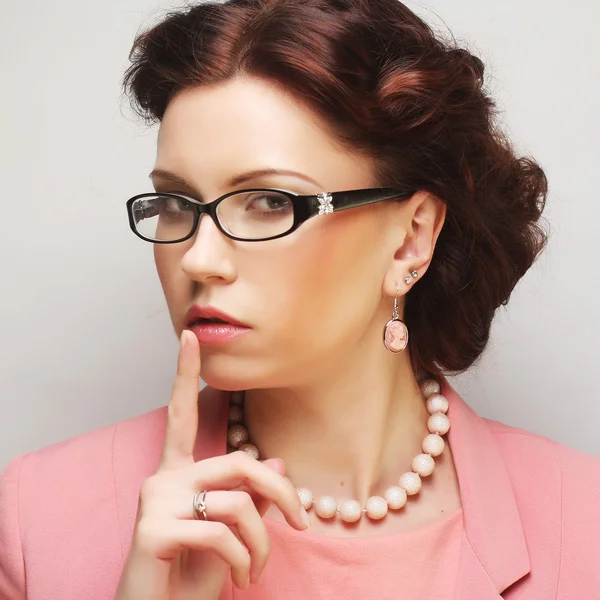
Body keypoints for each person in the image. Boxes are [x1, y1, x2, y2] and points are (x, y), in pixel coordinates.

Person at [1, 0, 599, 598]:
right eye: (178, 203)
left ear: (410, 239)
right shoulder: (36, 518)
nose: (199, 258)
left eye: (269, 202)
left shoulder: (583, 526)